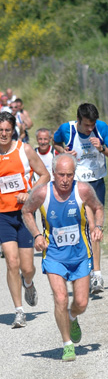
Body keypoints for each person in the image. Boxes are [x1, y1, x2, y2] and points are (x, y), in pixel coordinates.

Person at [22, 154, 105, 362]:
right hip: (54, 256)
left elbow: (98, 207)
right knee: (60, 298)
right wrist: (37, 235)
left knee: (81, 302)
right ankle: (67, 344)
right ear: (53, 173)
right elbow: (26, 211)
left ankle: (72, 316)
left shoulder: (83, 190)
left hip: (80, 255)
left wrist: (98, 228)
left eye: (69, 175)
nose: (65, 180)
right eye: (61, 175)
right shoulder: (42, 192)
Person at [53, 103, 108, 294]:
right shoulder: (67, 129)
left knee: (93, 227)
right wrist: (63, 151)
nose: (90, 129)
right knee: (77, 227)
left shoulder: (102, 128)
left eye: (92, 125)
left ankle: (96, 274)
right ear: (78, 120)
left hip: (96, 183)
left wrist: (103, 149)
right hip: (74, 185)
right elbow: (55, 142)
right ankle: (80, 270)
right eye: (86, 125)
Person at [0, 111, 50, 328]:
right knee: (12, 262)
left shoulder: (24, 149)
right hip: (3, 216)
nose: (3, 134)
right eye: (0, 130)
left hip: (24, 214)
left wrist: (29, 192)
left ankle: (28, 283)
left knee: (27, 267)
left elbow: (45, 175)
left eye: (7, 130)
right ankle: (19, 312)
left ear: (14, 131)